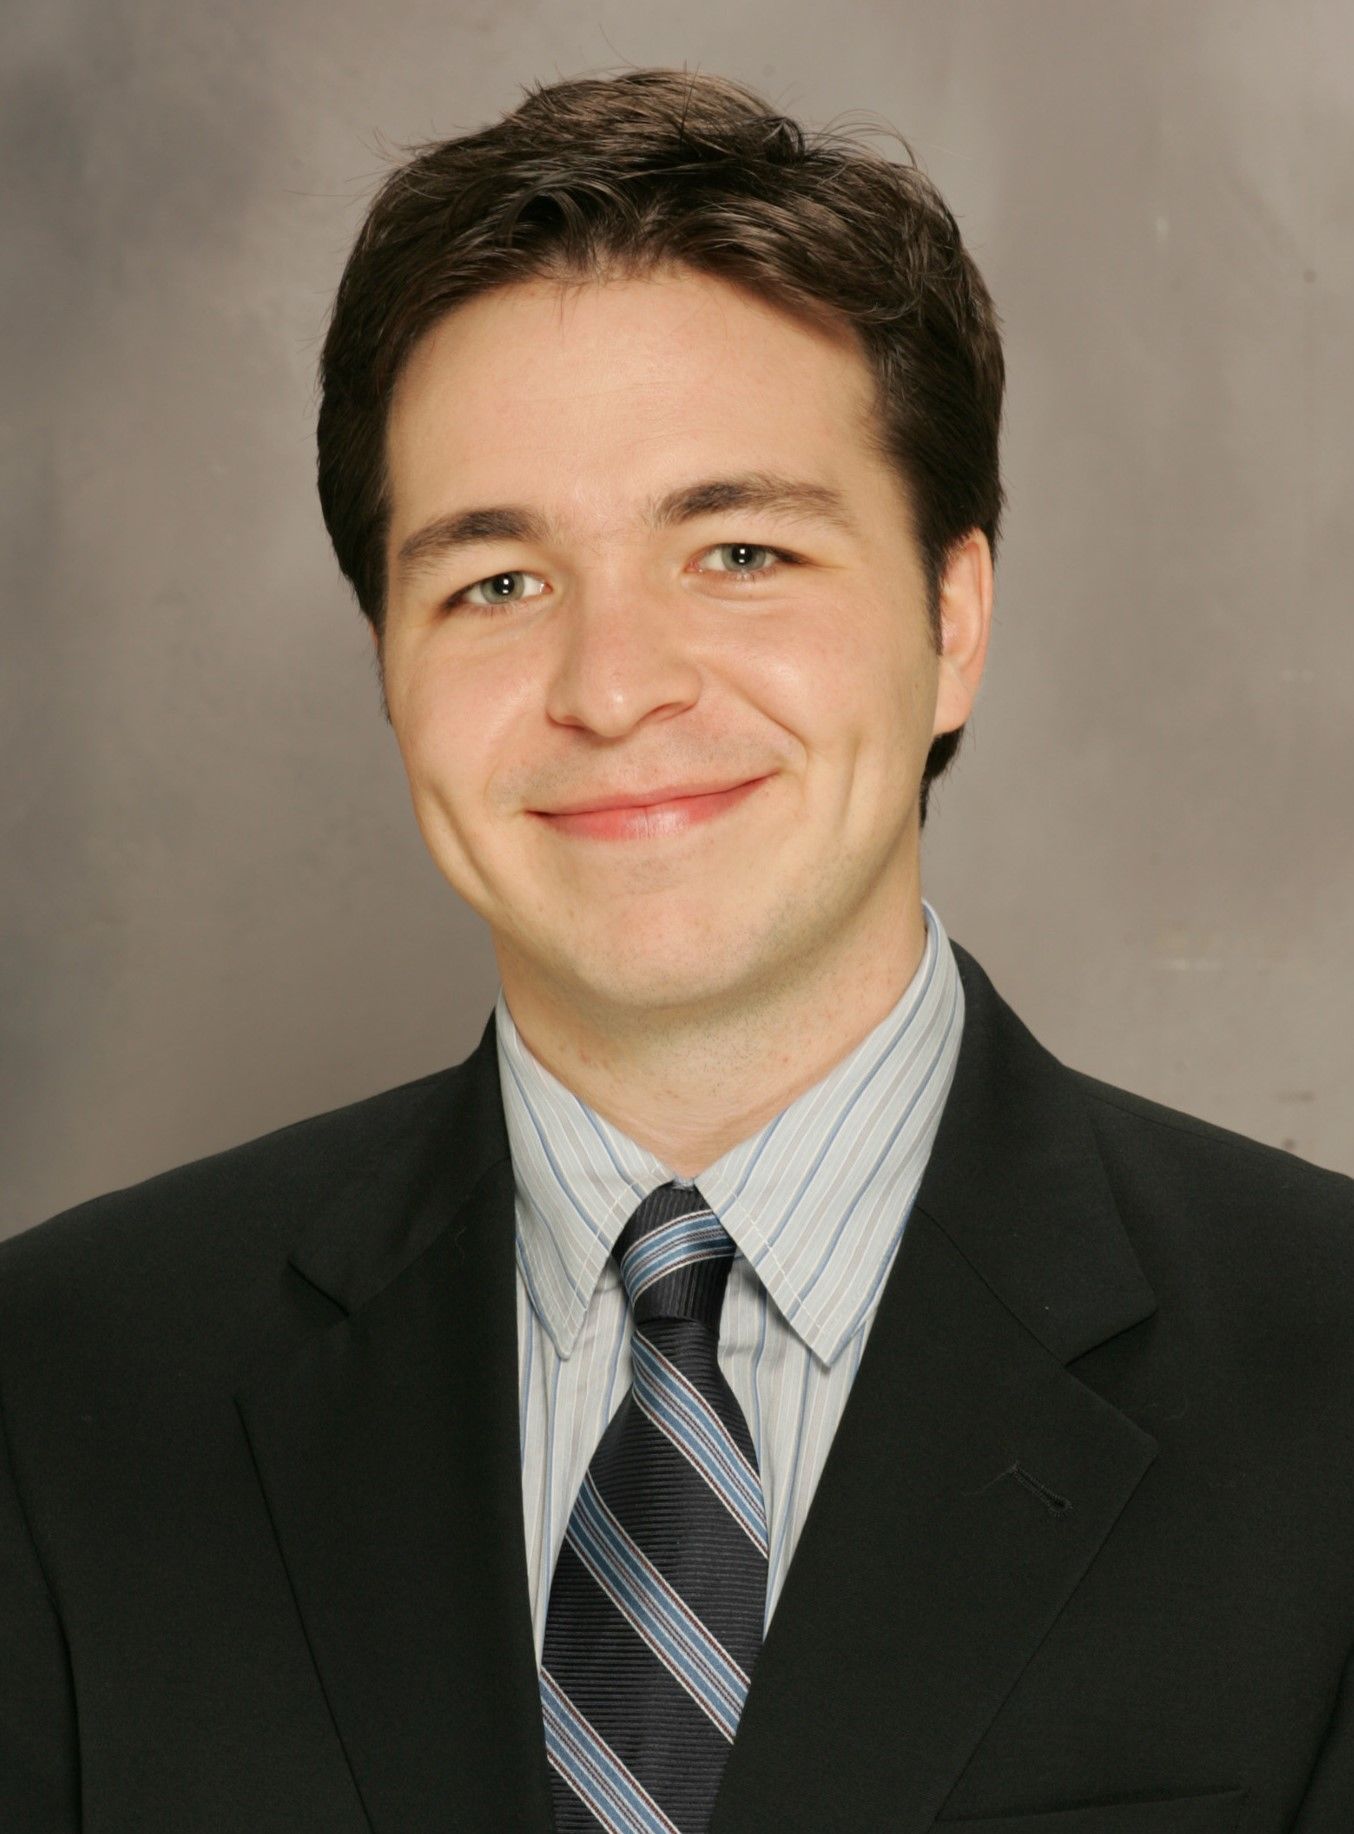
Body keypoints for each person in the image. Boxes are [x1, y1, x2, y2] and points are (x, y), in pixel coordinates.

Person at [1, 65, 1350, 1834]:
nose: (613, 685)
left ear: (952, 619)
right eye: (494, 582)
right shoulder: (59, 1389)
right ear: (388, 661)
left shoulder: (1326, 1375)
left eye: (739, 550)